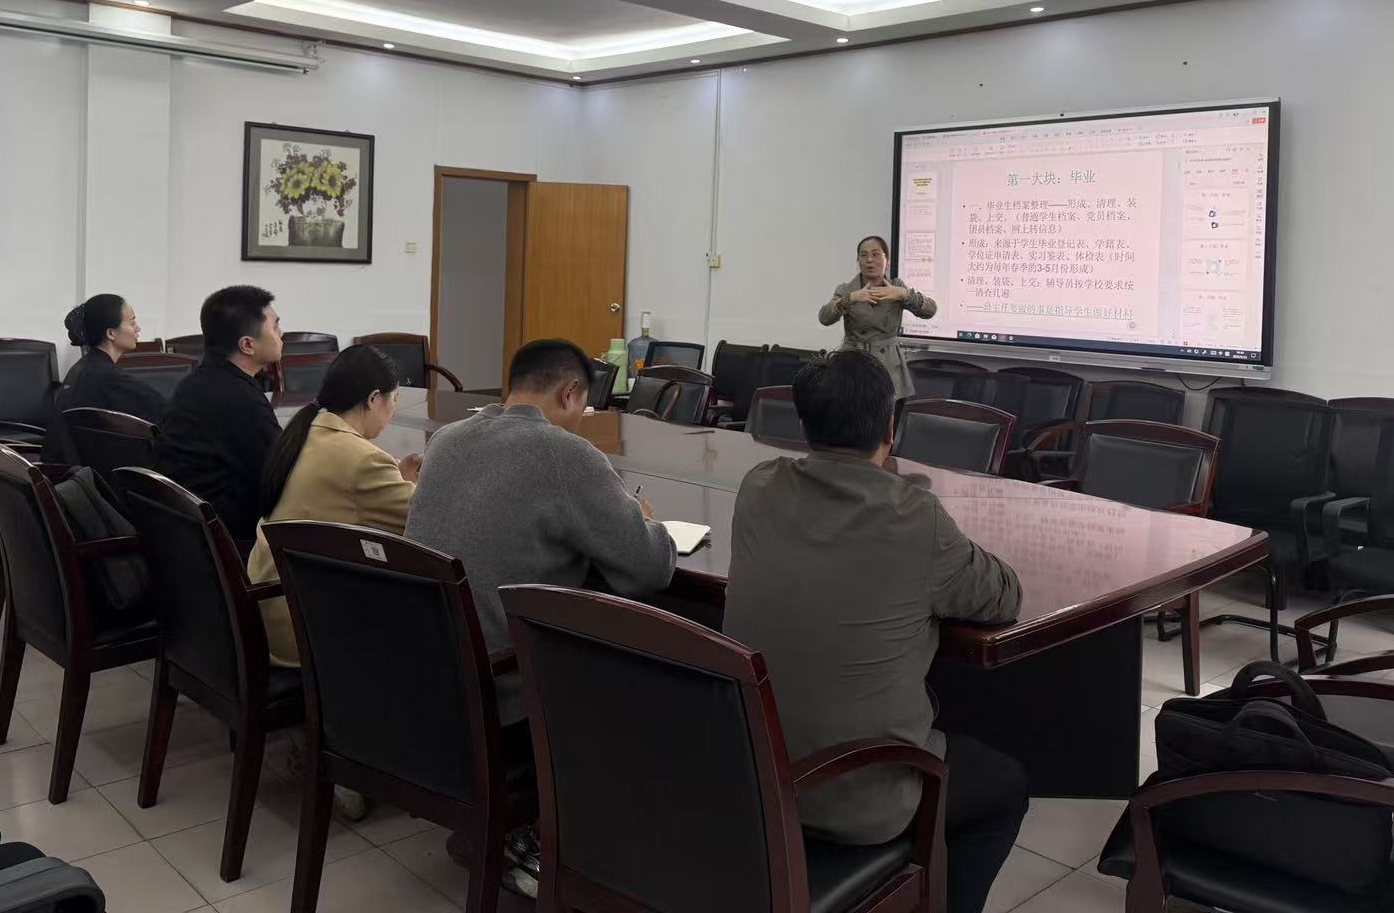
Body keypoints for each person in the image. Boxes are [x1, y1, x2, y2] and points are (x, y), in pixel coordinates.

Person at [723, 350, 1027, 913]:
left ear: (803, 427)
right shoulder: (915, 516)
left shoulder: (758, 487)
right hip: (856, 800)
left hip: (751, 777)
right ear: (891, 429)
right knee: (1003, 784)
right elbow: (1004, 595)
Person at [407, 338, 677, 895]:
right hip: (502, 691)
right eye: (583, 407)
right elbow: (649, 569)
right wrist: (643, 519)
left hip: (430, 678)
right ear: (570, 391)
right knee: (653, 666)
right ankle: (570, 841)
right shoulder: (564, 454)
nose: (581, 419)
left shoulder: (448, 439)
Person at [247, 344, 422, 670]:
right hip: (305, 628)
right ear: (374, 399)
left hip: (270, 610)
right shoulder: (363, 459)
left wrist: (396, 479)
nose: (393, 411)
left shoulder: (306, 430)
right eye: (394, 400)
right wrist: (413, 484)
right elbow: (423, 522)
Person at [154, 286, 283, 558]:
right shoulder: (240, 398)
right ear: (247, 345)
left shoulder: (196, 382)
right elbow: (282, 474)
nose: (281, 333)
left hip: (184, 539)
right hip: (228, 549)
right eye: (275, 326)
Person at [43, 294, 169, 462]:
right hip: (102, 473)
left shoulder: (85, 367)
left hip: (74, 469)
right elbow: (166, 413)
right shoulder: (109, 379)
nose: (138, 328)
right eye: (132, 322)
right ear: (111, 333)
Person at [819, 234, 937, 398]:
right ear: (858, 261)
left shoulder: (896, 287)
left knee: (884, 410)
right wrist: (851, 298)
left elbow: (930, 310)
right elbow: (824, 318)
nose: (869, 260)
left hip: (887, 364)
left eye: (875, 254)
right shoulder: (847, 290)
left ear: (887, 261)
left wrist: (904, 294)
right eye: (863, 255)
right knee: (850, 409)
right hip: (853, 363)